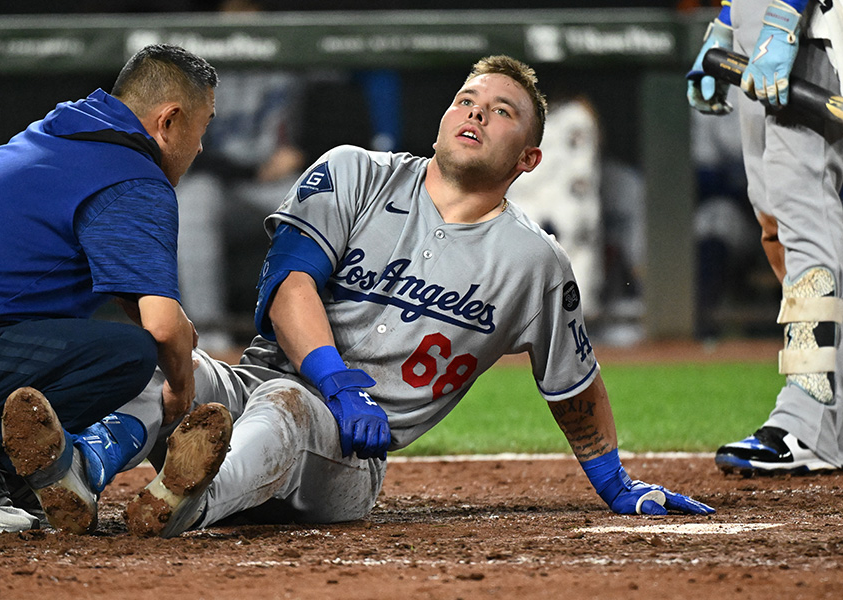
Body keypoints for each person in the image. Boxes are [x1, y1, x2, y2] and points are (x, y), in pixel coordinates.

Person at [118, 55, 714, 539]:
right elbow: (289, 285)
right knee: (142, 355)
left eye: (500, 112)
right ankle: (67, 472)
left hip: (349, 458)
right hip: (252, 390)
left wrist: (614, 483)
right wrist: (336, 381)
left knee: (286, 406)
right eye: (466, 102)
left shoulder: (535, 264)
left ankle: (181, 504)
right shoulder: (353, 172)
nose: (475, 115)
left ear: (529, 158)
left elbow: (573, 384)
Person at [0, 43, 228, 536]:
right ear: (170, 121)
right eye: (202, 128)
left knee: (93, 339)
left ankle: (23, 471)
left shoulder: (65, 134)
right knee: (127, 355)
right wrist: (181, 389)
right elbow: (160, 325)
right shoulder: (132, 176)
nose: (201, 147)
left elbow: (134, 297)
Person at [687, 0, 843, 473]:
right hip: (763, 37)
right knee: (775, 223)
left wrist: (786, 12)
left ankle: (810, 418)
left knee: (805, 218)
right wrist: (730, 23)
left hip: (810, 33)